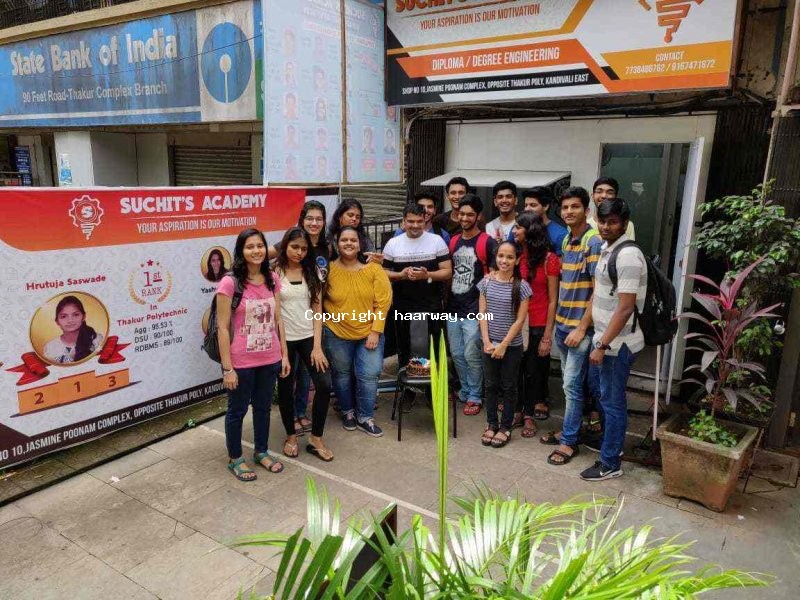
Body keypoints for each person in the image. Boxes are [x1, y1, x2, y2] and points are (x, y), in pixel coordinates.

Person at [217, 228, 290, 481]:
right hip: (241, 362)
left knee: (263, 408)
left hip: (269, 359)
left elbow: (278, 319)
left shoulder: (272, 278)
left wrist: (284, 355)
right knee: (237, 410)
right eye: (250, 247)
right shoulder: (230, 283)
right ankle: (235, 458)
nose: (256, 251)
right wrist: (228, 368)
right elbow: (222, 328)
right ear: (241, 251)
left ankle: (261, 452)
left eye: (260, 246)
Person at [581, 198, 646, 481]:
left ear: (624, 223)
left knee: (612, 402)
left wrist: (602, 345)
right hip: (607, 339)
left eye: (613, 222)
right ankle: (610, 444)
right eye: (602, 221)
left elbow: (626, 307)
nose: (606, 227)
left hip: (617, 345)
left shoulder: (628, 255)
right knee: (605, 396)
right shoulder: (609, 249)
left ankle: (610, 463)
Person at [543, 187, 602, 467]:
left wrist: (581, 328)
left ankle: (568, 441)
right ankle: (571, 429)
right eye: (565, 207)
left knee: (571, 386)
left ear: (586, 211)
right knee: (571, 387)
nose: (569, 211)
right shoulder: (568, 240)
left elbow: (598, 290)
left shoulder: (593, 242)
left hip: (580, 329)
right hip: (563, 325)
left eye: (575, 207)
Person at [323, 226, 392, 437]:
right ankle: (348, 412)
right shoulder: (327, 270)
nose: (349, 243)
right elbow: (318, 299)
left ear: (360, 244)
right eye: (344, 240)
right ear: (337, 244)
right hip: (336, 333)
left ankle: (365, 417)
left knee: (369, 375)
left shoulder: (374, 270)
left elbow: (383, 303)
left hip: (368, 333)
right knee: (341, 375)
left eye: (353, 240)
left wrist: (375, 331)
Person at [274, 228, 335, 462]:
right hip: (285, 340)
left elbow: (317, 310)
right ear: (285, 246)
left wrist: (317, 347)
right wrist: (283, 353)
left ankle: (316, 438)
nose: (299, 252)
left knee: (324, 384)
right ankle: (290, 436)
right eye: (294, 247)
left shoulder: (312, 272)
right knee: (286, 389)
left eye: (303, 248)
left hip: (309, 336)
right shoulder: (275, 272)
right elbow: (277, 316)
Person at [383, 204, 452, 369]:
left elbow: (448, 272)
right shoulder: (393, 243)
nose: (415, 225)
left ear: (425, 220)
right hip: (402, 303)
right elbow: (382, 273)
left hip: (432, 303)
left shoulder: (437, 241)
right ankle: (407, 380)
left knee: (434, 344)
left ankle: (433, 380)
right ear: (403, 221)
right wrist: (401, 275)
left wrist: (427, 275)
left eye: (419, 221)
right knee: (404, 345)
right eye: (411, 221)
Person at [477, 240, 531, 448]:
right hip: (489, 344)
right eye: (501, 256)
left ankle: (506, 426)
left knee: (509, 386)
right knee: (490, 385)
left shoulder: (522, 287)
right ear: (495, 257)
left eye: (510, 257)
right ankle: (491, 423)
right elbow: (482, 313)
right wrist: (487, 341)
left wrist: (504, 345)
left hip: (511, 347)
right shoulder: (486, 283)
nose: (504, 260)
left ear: (517, 260)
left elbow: (520, 320)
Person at [447, 194, 497, 416]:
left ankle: (475, 395)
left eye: (470, 214)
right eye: (461, 214)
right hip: (453, 307)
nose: (465, 218)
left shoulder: (487, 242)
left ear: (478, 216)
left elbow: (495, 275)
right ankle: (465, 390)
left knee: (471, 354)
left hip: (476, 309)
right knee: (457, 353)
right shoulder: (453, 241)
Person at [511, 213, 560, 437]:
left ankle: (529, 414)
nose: (514, 231)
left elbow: (553, 300)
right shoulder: (517, 256)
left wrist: (547, 336)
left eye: (518, 227)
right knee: (515, 370)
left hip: (538, 323)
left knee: (533, 372)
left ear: (530, 230)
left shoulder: (549, 259)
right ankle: (517, 411)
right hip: (517, 321)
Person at [43, 295, 105, 364]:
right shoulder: (50, 348)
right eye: (63, 316)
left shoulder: (97, 340)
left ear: (83, 316)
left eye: (76, 315)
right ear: (57, 321)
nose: (70, 320)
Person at [522, 187, 568, 256]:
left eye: (533, 205)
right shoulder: (521, 229)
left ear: (546, 206)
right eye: (526, 205)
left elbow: (561, 262)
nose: (527, 209)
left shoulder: (560, 234)